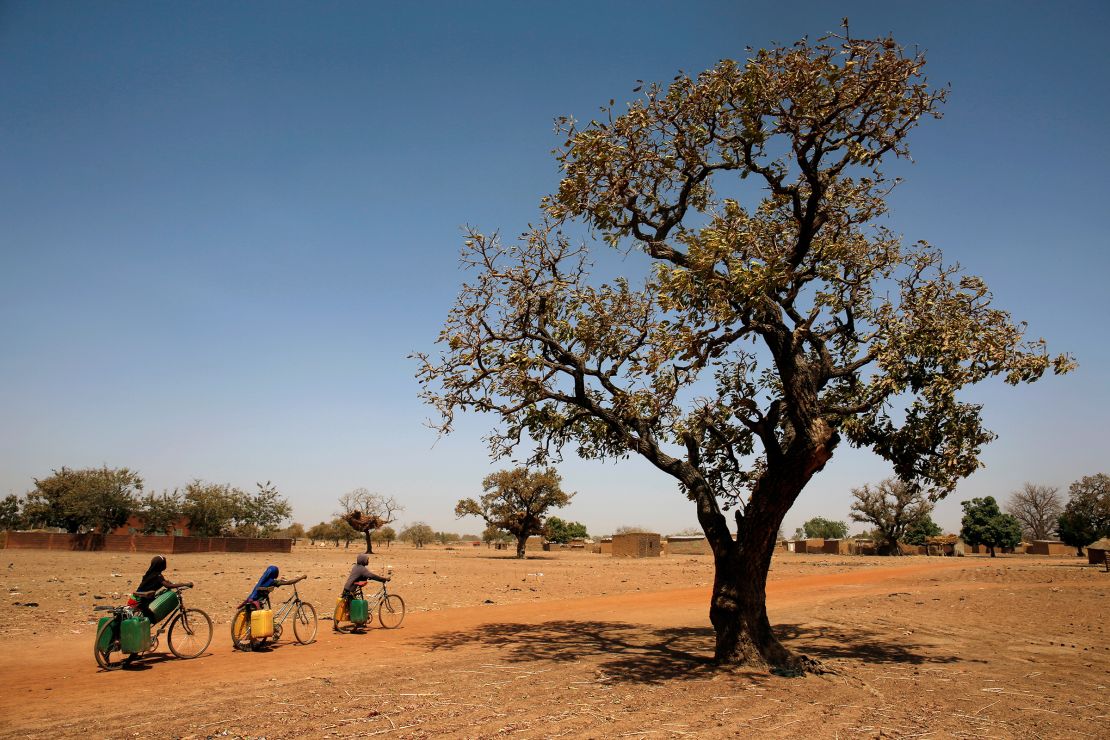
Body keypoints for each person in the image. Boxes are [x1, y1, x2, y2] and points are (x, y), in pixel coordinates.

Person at [334, 553, 389, 631]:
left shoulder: (355, 567)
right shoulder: (362, 569)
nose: (368, 561)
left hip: (346, 588)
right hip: (351, 590)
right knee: (354, 607)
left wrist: (365, 577)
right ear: (363, 561)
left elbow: (358, 575)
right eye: (367, 560)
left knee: (342, 607)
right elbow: (372, 576)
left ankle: (335, 625)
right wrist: (383, 579)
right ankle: (357, 623)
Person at [127, 555, 189, 622]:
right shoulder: (158, 576)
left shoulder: (150, 573)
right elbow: (168, 586)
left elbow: (158, 583)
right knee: (152, 618)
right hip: (140, 600)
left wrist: (165, 582)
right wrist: (185, 584)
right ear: (162, 566)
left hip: (137, 598)